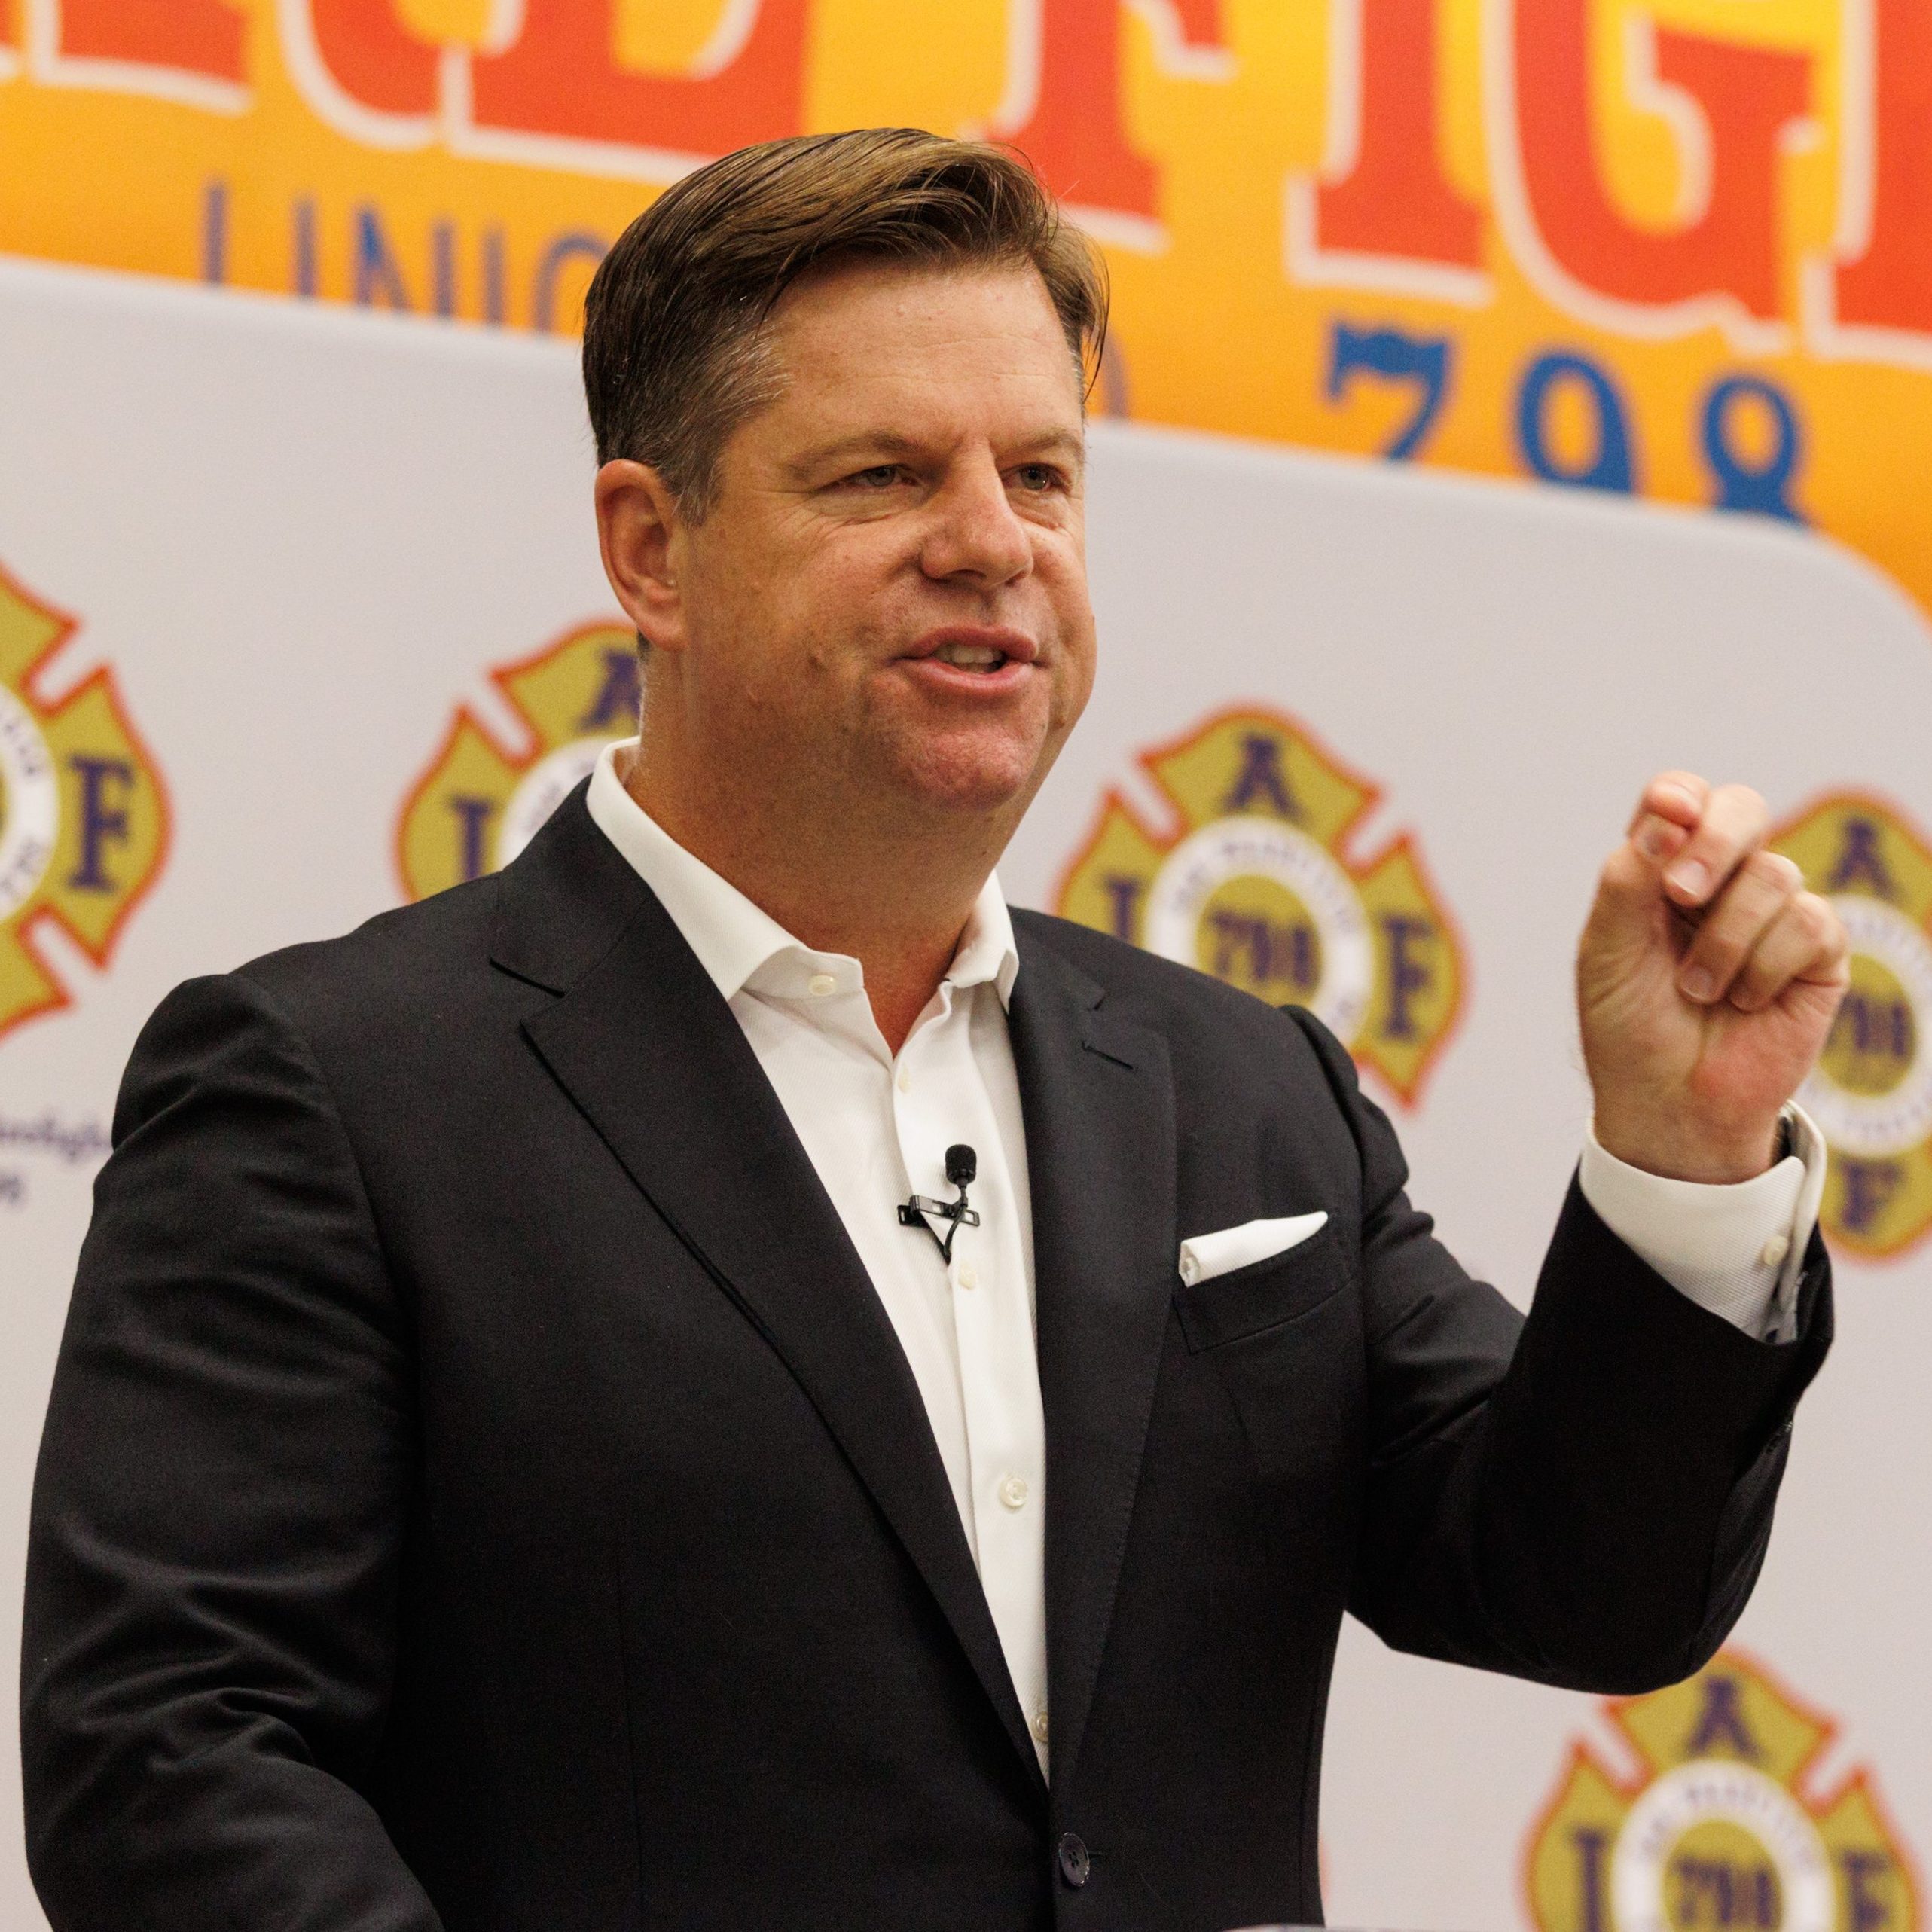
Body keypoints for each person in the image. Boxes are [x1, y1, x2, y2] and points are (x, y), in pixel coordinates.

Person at [22, 130, 1848, 1932]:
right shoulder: (338, 1091)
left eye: (1041, 476)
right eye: (885, 475)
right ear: (651, 550)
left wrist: (1680, 1156)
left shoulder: (1239, 1090)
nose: (990, 544)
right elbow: (168, 1757)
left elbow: (1582, 1585)